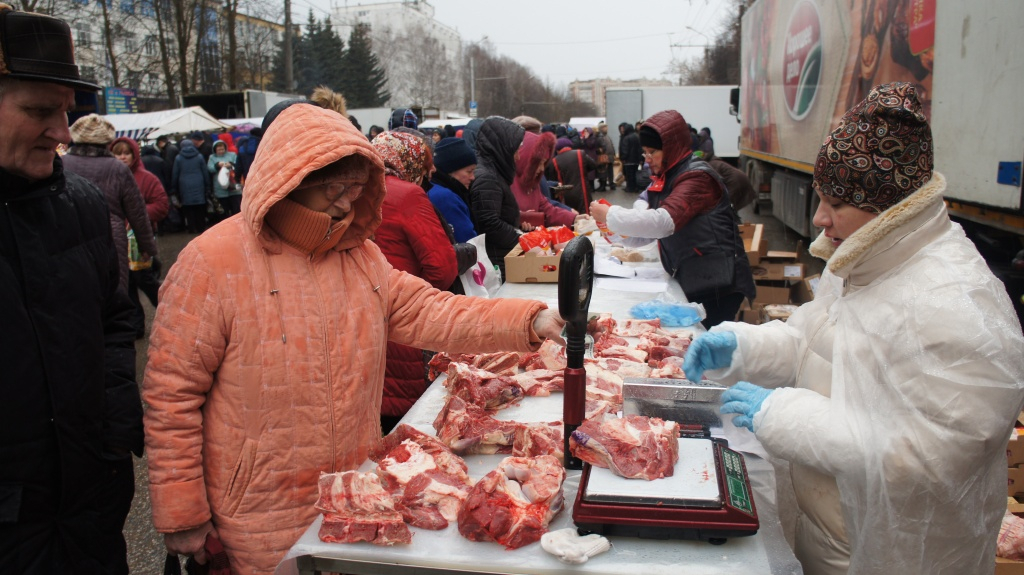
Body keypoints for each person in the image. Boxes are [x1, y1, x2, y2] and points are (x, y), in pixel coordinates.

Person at [142, 104, 566, 574]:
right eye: (334, 190)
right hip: (256, 512)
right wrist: (183, 513)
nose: (347, 203)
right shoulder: (211, 263)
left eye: (356, 189)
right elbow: (171, 397)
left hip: (353, 492)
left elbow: (432, 309)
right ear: (289, 180)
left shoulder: (361, 256)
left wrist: (531, 320)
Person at [683, 82, 1024, 575]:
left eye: (835, 203)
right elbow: (811, 340)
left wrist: (784, 415)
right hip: (834, 529)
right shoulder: (872, 261)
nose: (819, 218)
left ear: (890, 205)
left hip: (896, 554)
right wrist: (742, 344)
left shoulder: (955, 303)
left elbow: (930, 459)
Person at [0, 6, 143, 573]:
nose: (62, 133)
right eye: (40, 111)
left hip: (90, 503)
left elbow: (115, 321)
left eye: (65, 112)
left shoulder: (79, 204)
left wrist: (114, 430)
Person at [590, 110, 755, 328]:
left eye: (652, 153)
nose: (647, 160)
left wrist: (611, 215)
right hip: (695, 275)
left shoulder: (696, 177)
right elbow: (644, 229)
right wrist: (615, 231)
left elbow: (664, 223)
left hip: (719, 281)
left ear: (670, 149)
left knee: (707, 344)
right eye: (645, 154)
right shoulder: (665, 176)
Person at [371, 130, 459, 432]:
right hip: (404, 325)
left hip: (358, 319)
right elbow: (442, 267)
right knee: (412, 431)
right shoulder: (406, 194)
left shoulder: (352, 189)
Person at [63, 114, 159, 293]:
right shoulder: (117, 168)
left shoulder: (62, 165)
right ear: (107, 141)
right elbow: (137, 212)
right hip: (111, 237)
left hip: (70, 236)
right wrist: (147, 247)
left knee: (78, 293)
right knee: (115, 296)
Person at [111, 136, 169, 338]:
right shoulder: (110, 178)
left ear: (134, 154)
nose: (122, 157)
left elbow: (161, 205)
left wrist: (136, 212)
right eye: (118, 153)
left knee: (146, 281)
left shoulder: (147, 178)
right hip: (118, 241)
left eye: (126, 153)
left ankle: (169, 313)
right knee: (126, 286)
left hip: (139, 240)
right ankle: (136, 327)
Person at [469, 116, 526, 280]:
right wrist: (521, 239)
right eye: (515, 151)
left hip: (500, 256)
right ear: (502, 148)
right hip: (496, 261)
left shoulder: (493, 171)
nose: (518, 157)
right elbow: (489, 223)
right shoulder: (488, 177)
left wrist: (519, 227)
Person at [511, 131, 578, 228]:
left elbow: (547, 210)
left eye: (544, 163)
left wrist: (574, 218)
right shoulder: (508, 182)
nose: (542, 168)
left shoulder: (533, 184)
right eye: (539, 163)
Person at [429, 136, 478, 242]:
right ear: (450, 170)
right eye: (469, 171)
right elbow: (467, 240)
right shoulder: (445, 198)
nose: (473, 177)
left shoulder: (434, 189)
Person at [171, 138, 211, 233]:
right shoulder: (199, 156)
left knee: (188, 208)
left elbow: (175, 174)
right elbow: (205, 172)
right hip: (199, 182)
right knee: (200, 207)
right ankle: (201, 227)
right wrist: (208, 186)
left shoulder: (178, 158)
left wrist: (174, 188)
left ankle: (192, 228)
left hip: (184, 184)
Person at [545, 142, 596, 215]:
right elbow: (593, 165)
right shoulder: (580, 153)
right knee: (586, 216)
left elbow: (552, 179)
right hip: (583, 192)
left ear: (557, 150)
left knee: (572, 217)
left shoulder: (554, 161)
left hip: (566, 194)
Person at [208, 139, 241, 216]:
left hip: (234, 187)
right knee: (224, 210)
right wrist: (217, 165)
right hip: (220, 188)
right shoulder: (212, 157)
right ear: (215, 149)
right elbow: (210, 169)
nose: (221, 151)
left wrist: (231, 165)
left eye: (222, 149)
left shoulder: (232, 155)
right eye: (219, 149)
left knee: (236, 209)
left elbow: (238, 165)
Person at [618, 121, 642, 192]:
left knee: (629, 175)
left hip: (628, 161)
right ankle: (635, 187)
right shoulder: (637, 136)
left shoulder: (626, 138)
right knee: (634, 174)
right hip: (636, 160)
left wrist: (623, 158)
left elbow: (625, 149)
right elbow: (640, 149)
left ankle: (629, 188)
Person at [596, 121, 616, 191]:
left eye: (606, 127)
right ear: (601, 128)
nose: (606, 128)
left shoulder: (607, 136)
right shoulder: (600, 137)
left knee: (610, 171)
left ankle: (611, 183)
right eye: (604, 127)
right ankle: (603, 185)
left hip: (610, 157)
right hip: (604, 157)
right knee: (604, 171)